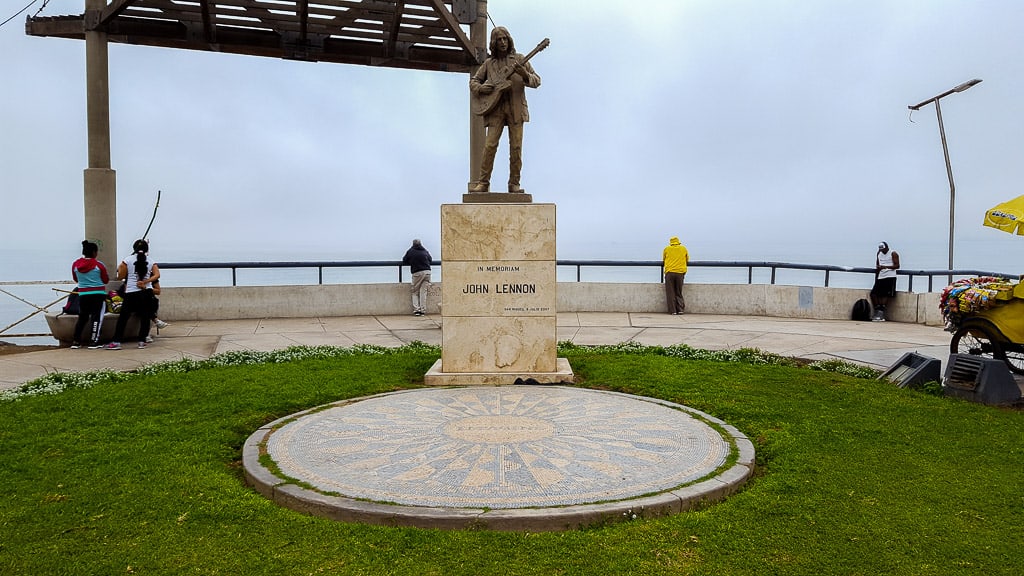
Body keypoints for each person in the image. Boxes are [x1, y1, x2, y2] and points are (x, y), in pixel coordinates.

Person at [468, 26, 542, 194]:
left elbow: (537, 81)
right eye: (499, 39)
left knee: (516, 148)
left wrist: (524, 74)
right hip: (495, 109)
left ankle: (514, 184)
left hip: (516, 108)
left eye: (505, 39)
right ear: (494, 43)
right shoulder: (489, 64)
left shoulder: (519, 59)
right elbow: (474, 82)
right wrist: (481, 89)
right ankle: (483, 183)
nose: (502, 42)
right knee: (490, 146)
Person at [106, 239, 160, 349]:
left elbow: (120, 275)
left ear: (134, 248)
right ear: (146, 249)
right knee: (145, 317)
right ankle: (142, 341)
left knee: (123, 318)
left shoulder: (127, 260)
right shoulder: (151, 261)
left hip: (131, 292)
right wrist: (145, 282)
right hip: (146, 292)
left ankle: (117, 342)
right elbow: (157, 275)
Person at [70, 240, 110, 349]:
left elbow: (75, 279)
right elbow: (106, 280)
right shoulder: (99, 265)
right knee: (96, 317)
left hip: (83, 294)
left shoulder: (75, 264)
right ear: (94, 252)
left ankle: (76, 341)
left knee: (82, 317)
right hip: (98, 294)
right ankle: (94, 341)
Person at [870, 241, 900, 321]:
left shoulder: (893, 253)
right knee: (874, 293)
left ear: (887, 247)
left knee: (886, 295)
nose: (882, 251)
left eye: (883, 249)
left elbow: (897, 265)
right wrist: (877, 274)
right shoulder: (879, 253)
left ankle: (881, 313)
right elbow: (877, 265)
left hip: (890, 276)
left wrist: (885, 267)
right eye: (881, 249)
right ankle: (878, 309)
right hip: (881, 276)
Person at [402, 239, 432, 316]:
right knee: (423, 292)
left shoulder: (411, 251)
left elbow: (404, 260)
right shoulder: (424, 250)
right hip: (427, 272)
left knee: (415, 292)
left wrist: (412, 262)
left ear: (413, 244)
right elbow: (430, 259)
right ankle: (423, 310)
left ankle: (417, 310)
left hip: (417, 273)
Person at [663, 236, 689, 315]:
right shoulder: (683, 249)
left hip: (670, 272)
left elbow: (664, 259)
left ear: (671, 242)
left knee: (670, 292)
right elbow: (687, 259)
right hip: (680, 273)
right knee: (679, 291)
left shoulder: (667, 249)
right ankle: (680, 309)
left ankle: (673, 311)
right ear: (678, 242)